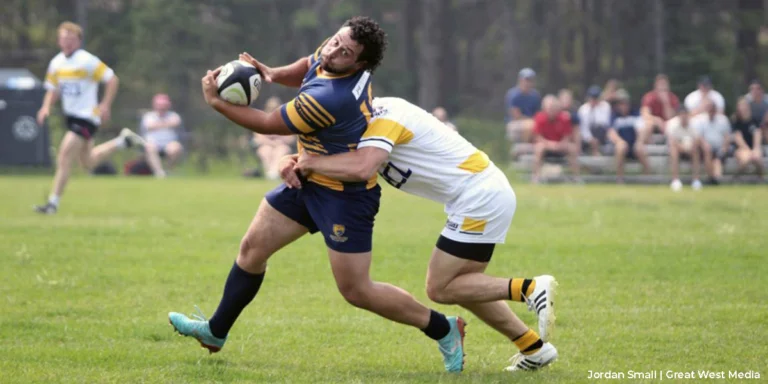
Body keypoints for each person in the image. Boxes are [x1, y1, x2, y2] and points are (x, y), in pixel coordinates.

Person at [168, 17, 467, 373]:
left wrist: (216, 103)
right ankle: (216, 331)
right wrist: (273, 74)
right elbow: (310, 65)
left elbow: (266, 124)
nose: (334, 50)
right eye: (336, 41)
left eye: (345, 52)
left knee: (357, 291)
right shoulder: (335, 54)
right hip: (306, 179)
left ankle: (444, 328)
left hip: (345, 196)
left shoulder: (330, 98)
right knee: (252, 250)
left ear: (360, 64)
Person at [288, 96, 558, 372]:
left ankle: (530, 288)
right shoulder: (365, 121)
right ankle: (533, 348)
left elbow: (361, 167)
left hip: (478, 197)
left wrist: (309, 164)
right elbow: (338, 156)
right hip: (483, 192)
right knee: (465, 286)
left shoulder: (384, 118)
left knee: (439, 287)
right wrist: (299, 161)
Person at [34, 22, 144, 214]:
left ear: (78, 40)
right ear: (59, 40)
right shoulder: (56, 63)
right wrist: (45, 107)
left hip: (87, 117)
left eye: (71, 39)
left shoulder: (87, 60)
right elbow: (53, 90)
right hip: (71, 117)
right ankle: (122, 141)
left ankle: (53, 203)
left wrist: (105, 104)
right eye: (63, 39)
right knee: (88, 162)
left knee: (64, 154)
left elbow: (112, 79)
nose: (67, 42)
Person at [531, 95, 581, 184]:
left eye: (554, 108)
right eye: (550, 108)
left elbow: (567, 136)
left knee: (572, 149)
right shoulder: (539, 118)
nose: (552, 110)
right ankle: (536, 177)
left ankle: (576, 177)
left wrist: (561, 144)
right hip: (546, 146)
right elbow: (538, 137)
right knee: (538, 149)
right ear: (544, 108)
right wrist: (550, 144)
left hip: (560, 146)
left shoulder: (564, 118)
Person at [607, 90, 651, 183]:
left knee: (640, 148)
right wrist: (619, 141)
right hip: (621, 145)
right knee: (620, 147)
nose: (623, 106)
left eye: (624, 103)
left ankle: (647, 177)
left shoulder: (635, 114)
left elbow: (641, 129)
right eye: (620, 103)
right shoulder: (614, 116)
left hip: (634, 144)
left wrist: (639, 141)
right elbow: (611, 132)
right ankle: (620, 178)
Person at [141, 93, 184, 178]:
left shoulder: (174, 115)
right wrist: (167, 124)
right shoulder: (148, 116)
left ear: (168, 105)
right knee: (150, 147)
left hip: (169, 144)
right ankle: (159, 173)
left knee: (176, 148)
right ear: (155, 105)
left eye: (164, 105)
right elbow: (149, 126)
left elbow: (176, 122)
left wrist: (157, 125)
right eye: (159, 105)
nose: (162, 108)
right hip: (153, 144)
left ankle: (168, 170)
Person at [252, 96, 295, 179]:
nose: (273, 109)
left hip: (281, 145)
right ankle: (269, 172)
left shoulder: (285, 120)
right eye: (271, 108)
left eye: (275, 107)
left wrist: (279, 142)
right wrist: (272, 143)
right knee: (265, 151)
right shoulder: (262, 120)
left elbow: (291, 138)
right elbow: (258, 138)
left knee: (282, 150)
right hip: (266, 145)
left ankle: (275, 172)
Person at [691, 99, 731, 184]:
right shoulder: (699, 120)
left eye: (712, 109)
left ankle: (714, 178)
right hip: (705, 148)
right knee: (708, 152)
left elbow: (727, 136)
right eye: (709, 108)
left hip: (720, 148)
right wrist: (705, 145)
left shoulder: (723, 120)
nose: (711, 111)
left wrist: (724, 148)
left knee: (718, 159)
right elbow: (698, 136)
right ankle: (712, 178)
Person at [666, 107, 702, 191]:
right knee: (673, 151)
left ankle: (696, 180)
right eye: (682, 115)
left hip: (691, 148)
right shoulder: (672, 124)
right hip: (677, 148)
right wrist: (682, 147)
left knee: (696, 151)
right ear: (678, 116)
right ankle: (675, 180)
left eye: (685, 114)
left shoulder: (695, 124)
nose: (684, 117)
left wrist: (690, 147)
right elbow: (672, 141)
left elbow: (697, 140)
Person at [504, 68, 541, 143]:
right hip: (514, 123)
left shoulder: (535, 95)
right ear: (520, 80)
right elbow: (516, 115)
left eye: (530, 80)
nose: (527, 83)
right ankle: (524, 145)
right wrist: (533, 121)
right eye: (526, 80)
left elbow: (537, 113)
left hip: (532, 122)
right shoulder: (513, 94)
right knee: (530, 125)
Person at [731, 97, 764, 179]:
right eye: (741, 105)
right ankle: (735, 178)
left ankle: (761, 179)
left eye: (744, 105)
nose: (743, 107)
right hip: (741, 148)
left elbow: (757, 134)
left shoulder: (754, 120)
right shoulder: (736, 121)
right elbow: (738, 137)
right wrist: (748, 150)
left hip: (754, 148)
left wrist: (756, 149)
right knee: (746, 159)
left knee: (757, 158)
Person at [577, 85, 612, 156]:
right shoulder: (583, 109)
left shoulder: (605, 107)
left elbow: (605, 124)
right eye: (592, 97)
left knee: (600, 128)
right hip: (587, 137)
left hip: (602, 135)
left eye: (596, 98)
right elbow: (583, 128)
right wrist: (590, 139)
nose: (594, 100)